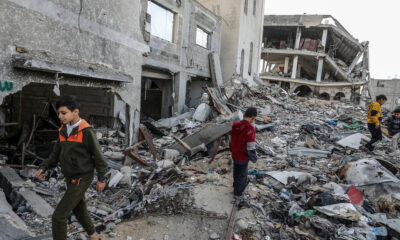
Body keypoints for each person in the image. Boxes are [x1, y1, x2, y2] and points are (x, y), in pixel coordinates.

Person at [35, 96, 108, 240]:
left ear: (75, 112)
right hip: (70, 176)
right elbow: (55, 154)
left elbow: (98, 156)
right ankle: (94, 236)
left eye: (64, 113)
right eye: (59, 113)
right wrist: (43, 167)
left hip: (82, 177)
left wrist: (101, 177)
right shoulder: (63, 130)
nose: (60, 116)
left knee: (59, 217)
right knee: (79, 209)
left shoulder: (86, 131)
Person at [230, 107, 258, 198]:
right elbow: (250, 146)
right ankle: (238, 193)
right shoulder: (250, 128)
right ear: (253, 117)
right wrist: (253, 157)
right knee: (242, 175)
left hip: (235, 154)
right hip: (243, 156)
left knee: (236, 171)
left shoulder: (235, 125)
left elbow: (230, 141)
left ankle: (235, 187)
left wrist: (232, 150)